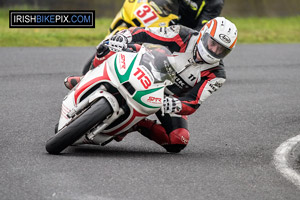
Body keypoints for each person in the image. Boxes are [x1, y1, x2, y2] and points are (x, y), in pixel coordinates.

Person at [65, 17, 238, 153]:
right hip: (147, 65)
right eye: (212, 43)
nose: (214, 51)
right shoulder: (181, 34)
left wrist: (176, 105)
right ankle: (86, 78)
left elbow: (193, 101)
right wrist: (125, 36)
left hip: (164, 98)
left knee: (178, 139)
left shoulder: (217, 75)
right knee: (110, 46)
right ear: (204, 34)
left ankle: (136, 124)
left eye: (221, 50)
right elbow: (146, 33)